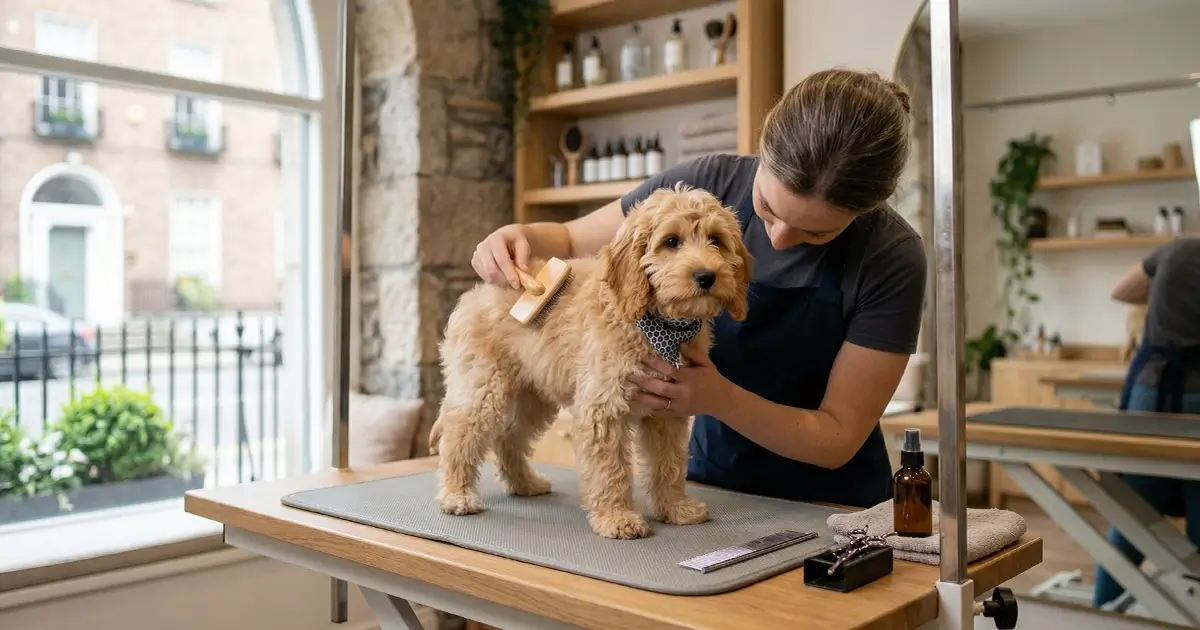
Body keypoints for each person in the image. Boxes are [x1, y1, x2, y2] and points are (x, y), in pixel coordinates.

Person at [471, 68, 927, 508]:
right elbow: (571, 240)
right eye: (767, 207)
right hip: (714, 485)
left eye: (816, 235)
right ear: (763, 146)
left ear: (866, 210)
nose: (778, 239)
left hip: (833, 505)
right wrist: (521, 236)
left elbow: (837, 437)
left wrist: (717, 397)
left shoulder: (891, 258)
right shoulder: (707, 183)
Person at [1092, 238, 1200, 609]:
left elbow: (1122, 290)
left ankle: (1103, 612)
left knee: (1133, 518)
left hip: (1150, 392)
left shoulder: (1177, 250)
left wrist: (1167, 293)